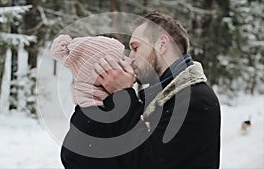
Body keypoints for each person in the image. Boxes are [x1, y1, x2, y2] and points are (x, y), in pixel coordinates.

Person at [55, 11, 221, 169]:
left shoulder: (194, 99)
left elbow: (146, 163)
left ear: (162, 44)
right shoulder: (158, 98)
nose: (130, 57)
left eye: (136, 48)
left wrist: (122, 94)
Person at [51, 34, 138, 169]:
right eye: (120, 60)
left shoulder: (95, 114)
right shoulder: (96, 124)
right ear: (100, 74)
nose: (129, 61)